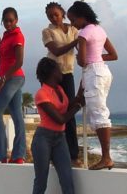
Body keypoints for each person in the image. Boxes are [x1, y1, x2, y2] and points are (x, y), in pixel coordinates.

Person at [67, 1, 118, 170]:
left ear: (82, 17)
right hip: (103, 71)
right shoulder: (100, 30)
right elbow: (113, 54)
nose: (73, 24)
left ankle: (106, 158)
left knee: (99, 114)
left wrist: (80, 58)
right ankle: (106, 157)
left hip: (93, 73)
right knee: (99, 111)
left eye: (73, 20)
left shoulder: (82, 34)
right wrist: (96, 58)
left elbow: (82, 62)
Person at [31, 57, 84, 194]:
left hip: (60, 138)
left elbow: (66, 108)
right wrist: (78, 106)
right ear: (52, 72)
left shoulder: (59, 89)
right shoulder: (41, 94)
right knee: (41, 182)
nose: (61, 72)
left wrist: (79, 93)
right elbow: (60, 119)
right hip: (44, 139)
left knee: (67, 181)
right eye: (58, 69)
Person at [0, 7, 26, 164]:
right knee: (17, 115)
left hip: (14, 78)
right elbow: (0, 48)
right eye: (5, 21)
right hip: (10, 77)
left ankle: (0, 153)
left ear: (16, 20)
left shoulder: (17, 36)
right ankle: (18, 156)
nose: (8, 23)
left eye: (11, 20)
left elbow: (19, 61)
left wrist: (3, 79)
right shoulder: (7, 36)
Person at [42, 2, 81, 166]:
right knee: (53, 115)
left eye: (56, 14)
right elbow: (56, 51)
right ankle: (53, 155)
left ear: (62, 13)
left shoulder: (73, 30)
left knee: (70, 114)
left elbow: (83, 45)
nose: (53, 17)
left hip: (68, 74)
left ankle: (73, 155)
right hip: (52, 76)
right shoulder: (47, 31)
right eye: (50, 15)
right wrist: (76, 42)